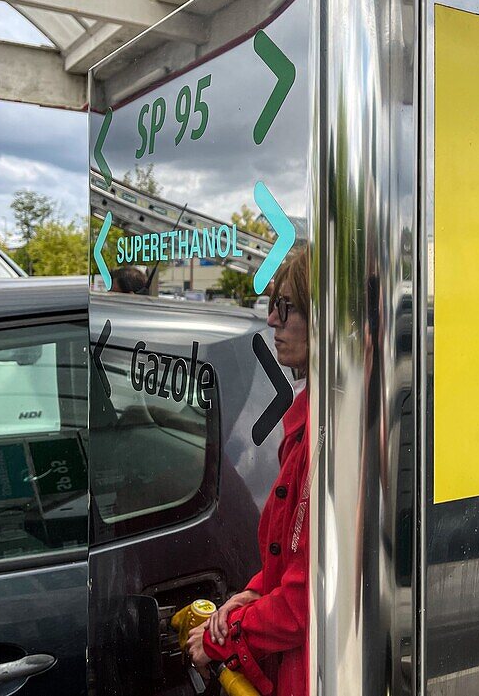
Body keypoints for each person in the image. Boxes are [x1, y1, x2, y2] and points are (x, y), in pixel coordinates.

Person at [187, 248, 310, 696]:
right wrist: (256, 591)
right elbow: (290, 566)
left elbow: (302, 604)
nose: (272, 321)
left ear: (324, 319)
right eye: (271, 306)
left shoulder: (326, 437)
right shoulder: (310, 421)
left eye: (285, 307)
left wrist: (226, 634)